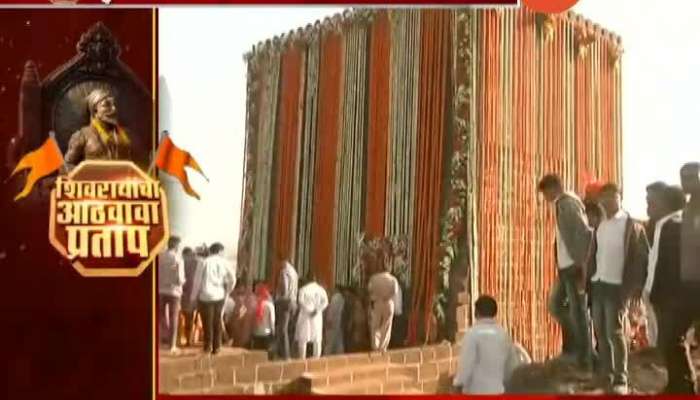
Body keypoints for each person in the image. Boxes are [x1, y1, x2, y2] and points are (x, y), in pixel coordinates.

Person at [589, 183, 649, 394]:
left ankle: (621, 378)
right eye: (603, 198)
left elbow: (641, 259)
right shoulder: (601, 225)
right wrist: (588, 279)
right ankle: (606, 375)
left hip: (617, 287)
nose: (607, 201)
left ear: (619, 197)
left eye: (611, 197)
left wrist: (635, 288)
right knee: (600, 332)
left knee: (615, 332)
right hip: (599, 283)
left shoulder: (631, 226)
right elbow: (594, 255)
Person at [537, 174, 594, 370]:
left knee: (577, 313)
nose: (544, 198)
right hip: (565, 267)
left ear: (553, 188)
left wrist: (581, 264)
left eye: (545, 193)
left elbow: (584, 232)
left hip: (573, 267)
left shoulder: (567, 204)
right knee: (557, 305)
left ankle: (585, 358)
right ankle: (575, 349)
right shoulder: (562, 204)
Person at [664, 161, 700, 394]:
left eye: (691, 177)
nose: (686, 182)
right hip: (687, 284)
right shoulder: (687, 209)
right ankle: (684, 385)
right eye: (683, 177)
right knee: (671, 336)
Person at [645, 183, 685, 352]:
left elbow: (670, 266)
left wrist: (657, 293)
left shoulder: (674, 226)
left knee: (671, 345)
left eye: (652, 203)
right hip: (660, 295)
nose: (648, 208)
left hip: (670, 297)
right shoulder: (659, 225)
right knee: (666, 345)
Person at [453, 295, 520, 394]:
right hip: (498, 392)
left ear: (476, 312)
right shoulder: (503, 334)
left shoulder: (472, 334)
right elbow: (512, 367)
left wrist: (457, 385)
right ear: (495, 313)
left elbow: (466, 365)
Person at [64, 87, 132, 170]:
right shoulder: (82, 136)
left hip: (122, 181)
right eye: (106, 105)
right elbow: (66, 166)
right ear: (94, 111)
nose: (114, 109)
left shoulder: (125, 135)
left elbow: (137, 165)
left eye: (113, 104)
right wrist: (85, 177)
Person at [190, 243, 235, 355]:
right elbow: (232, 278)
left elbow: (197, 281)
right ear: (219, 251)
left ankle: (208, 346)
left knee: (207, 322)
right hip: (219, 295)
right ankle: (217, 346)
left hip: (205, 296)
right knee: (217, 320)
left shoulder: (204, 262)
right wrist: (228, 290)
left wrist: (193, 296)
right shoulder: (225, 262)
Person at [158, 236, 185, 354]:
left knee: (161, 317)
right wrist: (183, 281)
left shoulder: (159, 256)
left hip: (160, 290)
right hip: (174, 291)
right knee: (174, 317)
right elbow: (179, 278)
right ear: (176, 245)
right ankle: (172, 345)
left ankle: (160, 340)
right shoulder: (177, 259)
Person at [295, 274, 328, 359]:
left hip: (305, 315)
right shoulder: (321, 290)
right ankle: (316, 357)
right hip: (317, 316)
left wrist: (309, 310)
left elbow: (300, 301)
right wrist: (317, 310)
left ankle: (302, 357)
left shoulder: (303, 289)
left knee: (303, 337)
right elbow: (325, 302)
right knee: (317, 338)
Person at [368, 265, 399, 353]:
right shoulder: (393, 279)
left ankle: (375, 345)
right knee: (386, 325)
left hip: (377, 303)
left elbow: (370, 289)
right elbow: (395, 291)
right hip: (388, 303)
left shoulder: (374, 278)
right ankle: (383, 347)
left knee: (375, 325)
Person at [275, 260, 298, 360]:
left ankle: (285, 355)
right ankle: (289, 352)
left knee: (282, 329)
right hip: (293, 302)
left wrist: (282, 294)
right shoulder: (294, 272)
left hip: (285, 301)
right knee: (290, 329)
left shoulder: (284, 271)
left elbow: (284, 285)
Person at [180, 247, 199, 347]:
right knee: (193, 318)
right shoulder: (198, 261)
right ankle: (191, 339)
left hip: (184, 292)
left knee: (185, 317)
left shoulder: (182, 261)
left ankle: (186, 339)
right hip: (197, 294)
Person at [251, 283, 275, 358]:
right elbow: (272, 321)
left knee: (256, 356)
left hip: (256, 334)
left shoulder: (254, 304)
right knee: (266, 356)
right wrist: (274, 332)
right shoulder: (269, 305)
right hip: (266, 334)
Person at [324, 285, 346, 355]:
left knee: (330, 340)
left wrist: (329, 319)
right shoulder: (342, 298)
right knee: (338, 339)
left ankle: (326, 355)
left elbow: (331, 310)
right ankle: (339, 354)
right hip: (339, 321)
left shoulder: (335, 298)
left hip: (333, 321)